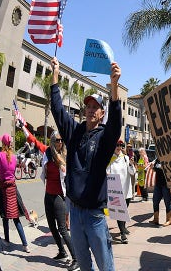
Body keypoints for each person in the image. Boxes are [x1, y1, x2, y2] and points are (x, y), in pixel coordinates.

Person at [50, 57, 122, 271]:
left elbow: (116, 124)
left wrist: (115, 86)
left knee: (105, 267)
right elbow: (57, 110)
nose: (91, 110)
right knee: (84, 266)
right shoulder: (74, 132)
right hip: (75, 211)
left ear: (101, 114)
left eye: (96, 107)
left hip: (95, 217)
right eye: (88, 106)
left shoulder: (105, 138)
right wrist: (55, 74)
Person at [40, 131, 78, 270]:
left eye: (61, 140)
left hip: (59, 196)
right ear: (52, 140)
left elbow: (71, 174)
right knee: (52, 227)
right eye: (57, 140)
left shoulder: (65, 156)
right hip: (48, 195)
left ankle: (76, 258)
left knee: (62, 228)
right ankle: (62, 252)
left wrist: (65, 168)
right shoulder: (48, 154)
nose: (60, 143)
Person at [0, 134, 31, 253]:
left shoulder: (0, 155)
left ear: (3, 144)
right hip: (13, 189)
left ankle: (7, 241)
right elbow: (13, 172)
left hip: (4, 189)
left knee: (5, 216)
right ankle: (25, 244)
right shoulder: (14, 157)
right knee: (15, 218)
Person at [106, 140, 135, 244]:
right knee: (120, 213)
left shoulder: (126, 159)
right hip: (115, 191)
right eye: (117, 145)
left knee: (125, 210)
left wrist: (131, 165)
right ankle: (123, 234)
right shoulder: (110, 159)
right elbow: (107, 173)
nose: (119, 147)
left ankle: (123, 227)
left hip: (126, 190)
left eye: (121, 145)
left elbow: (132, 172)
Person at [151, 155, 171, 227]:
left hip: (167, 185)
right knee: (155, 201)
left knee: (167, 202)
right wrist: (152, 168)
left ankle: (168, 220)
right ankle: (156, 219)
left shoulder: (168, 158)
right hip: (158, 185)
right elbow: (155, 170)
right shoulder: (157, 159)